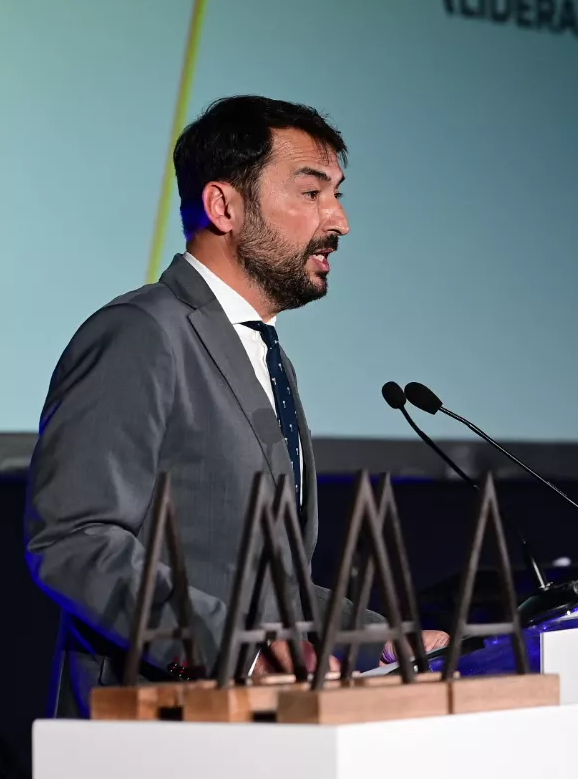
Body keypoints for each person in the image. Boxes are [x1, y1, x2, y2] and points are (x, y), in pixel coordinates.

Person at [26, 95, 446, 705]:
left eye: (339, 194)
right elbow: (75, 540)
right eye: (311, 193)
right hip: (152, 736)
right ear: (224, 205)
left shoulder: (262, 352)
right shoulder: (140, 333)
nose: (339, 221)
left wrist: (377, 642)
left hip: (255, 741)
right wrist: (237, 655)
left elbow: (271, 586)